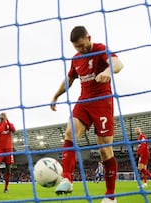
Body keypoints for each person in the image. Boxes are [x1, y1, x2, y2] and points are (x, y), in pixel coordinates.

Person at [50, 26, 123, 203]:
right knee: (69, 133)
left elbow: (118, 64)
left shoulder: (99, 49)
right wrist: (56, 96)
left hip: (103, 102)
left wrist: (107, 71)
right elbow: (69, 80)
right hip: (84, 102)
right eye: (77, 47)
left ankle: (110, 196)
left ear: (89, 38)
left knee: (105, 149)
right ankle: (67, 178)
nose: (81, 49)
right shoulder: (75, 59)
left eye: (83, 45)